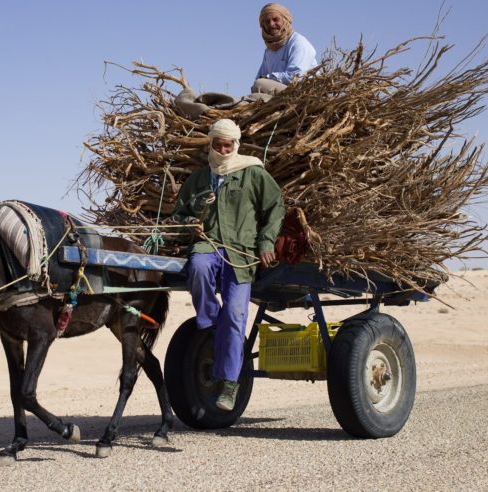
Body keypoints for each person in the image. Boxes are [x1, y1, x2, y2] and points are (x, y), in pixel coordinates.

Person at [172, 119, 285, 411]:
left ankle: (230, 385)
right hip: (207, 245)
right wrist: (191, 225)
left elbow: (276, 206)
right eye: (218, 144)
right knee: (197, 267)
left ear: (236, 145)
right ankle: (209, 320)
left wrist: (266, 242)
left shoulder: (252, 173)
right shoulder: (199, 178)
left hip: (241, 253)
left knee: (236, 315)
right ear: (210, 144)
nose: (223, 150)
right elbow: (179, 214)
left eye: (228, 145)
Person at [252, 3, 317, 95]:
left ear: (285, 20)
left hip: (301, 92)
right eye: (267, 21)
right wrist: (265, 79)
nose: (271, 24)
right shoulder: (269, 50)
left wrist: (268, 78)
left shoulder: (298, 42)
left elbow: (296, 77)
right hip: (282, 92)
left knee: (259, 85)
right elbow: (260, 76)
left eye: (275, 19)